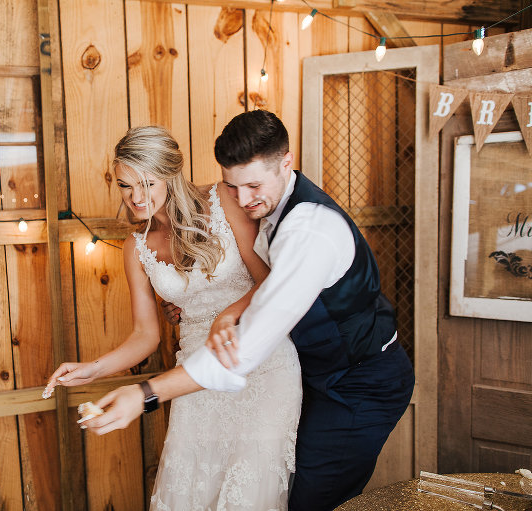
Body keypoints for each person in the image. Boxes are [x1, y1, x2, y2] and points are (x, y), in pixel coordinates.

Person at [81, 110, 415, 511]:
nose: (242, 200)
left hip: (356, 377)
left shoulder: (308, 230)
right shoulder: (253, 208)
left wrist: (146, 395)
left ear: (287, 163)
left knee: (301, 498)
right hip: (300, 374)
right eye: (232, 186)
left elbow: (252, 337)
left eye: (252, 185)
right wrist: (97, 368)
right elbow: (152, 329)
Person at [47, 126, 302, 509]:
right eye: (124, 186)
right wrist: (94, 369)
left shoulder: (222, 201)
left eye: (147, 183)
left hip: (262, 367)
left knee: (247, 498)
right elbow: (144, 335)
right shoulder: (135, 249)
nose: (135, 198)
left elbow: (271, 282)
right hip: (193, 380)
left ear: (170, 174)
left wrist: (228, 315)